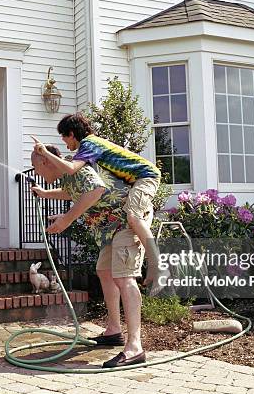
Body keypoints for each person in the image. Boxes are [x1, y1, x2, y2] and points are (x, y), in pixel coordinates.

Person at [31, 145, 149, 368]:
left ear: (46, 162)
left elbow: (96, 190)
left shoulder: (78, 168)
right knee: (104, 271)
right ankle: (114, 331)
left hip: (126, 220)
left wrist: (66, 218)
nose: (37, 173)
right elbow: (75, 193)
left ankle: (135, 347)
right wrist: (46, 194)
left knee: (124, 278)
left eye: (36, 168)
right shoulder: (67, 176)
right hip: (110, 227)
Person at [32, 113, 161, 286]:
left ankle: (157, 263)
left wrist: (46, 153)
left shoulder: (89, 143)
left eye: (64, 138)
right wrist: (45, 193)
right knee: (132, 216)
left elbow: (71, 169)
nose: (65, 143)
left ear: (71, 134)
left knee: (133, 216)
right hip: (136, 180)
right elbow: (72, 192)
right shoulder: (89, 146)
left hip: (146, 177)